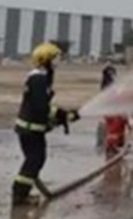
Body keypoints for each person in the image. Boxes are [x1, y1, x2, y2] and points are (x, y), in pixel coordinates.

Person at [12, 43, 80, 206]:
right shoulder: (39, 79)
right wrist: (63, 115)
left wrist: (60, 118)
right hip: (31, 129)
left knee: (34, 160)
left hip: (31, 128)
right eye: (55, 59)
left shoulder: (40, 77)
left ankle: (21, 193)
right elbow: (41, 106)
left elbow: (42, 107)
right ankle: (20, 195)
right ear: (45, 60)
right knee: (34, 160)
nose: (57, 62)